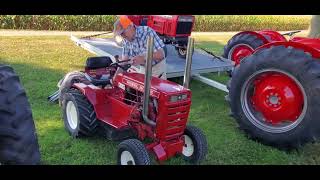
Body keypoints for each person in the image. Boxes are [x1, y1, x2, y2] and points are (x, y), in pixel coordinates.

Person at [113, 15, 167, 79]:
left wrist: (143, 57)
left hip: (157, 68)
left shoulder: (146, 32)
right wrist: (115, 77)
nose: (123, 36)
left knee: (155, 89)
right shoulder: (126, 40)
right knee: (141, 87)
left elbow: (161, 54)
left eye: (123, 33)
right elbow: (124, 61)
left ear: (130, 26)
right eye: (120, 34)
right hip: (143, 68)